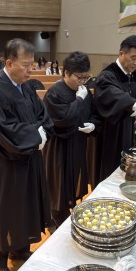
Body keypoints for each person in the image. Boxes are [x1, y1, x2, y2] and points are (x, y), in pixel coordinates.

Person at [0, 38, 53, 271]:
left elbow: (42, 115)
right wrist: (36, 135)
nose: (31, 70)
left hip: (27, 157)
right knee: (3, 209)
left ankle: (19, 249)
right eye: (26, 65)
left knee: (25, 204)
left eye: (33, 64)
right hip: (2, 162)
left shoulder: (26, 87)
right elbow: (3, 130)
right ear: (9, 63)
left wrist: (39, 133)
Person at [43, 51, 99, 229]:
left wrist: (93, 125)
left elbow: (94, 113)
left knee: (74, 179)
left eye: (85, 77)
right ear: (66, 73)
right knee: (58, 183)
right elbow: (63, 120)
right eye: (79, 77)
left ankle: (69, 210)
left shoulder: (84, 91)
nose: (82, 82)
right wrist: (79, 101)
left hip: (78, 143)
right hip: (60, 145)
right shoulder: (54, 93)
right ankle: (55, 218)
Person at [91, 35, 136, 184]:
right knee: (109, 171)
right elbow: (112, 95)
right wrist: (135, 105)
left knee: (125, 167)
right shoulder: (107, 75)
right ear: (121, 54)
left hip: (129, 130)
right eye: (133, 58)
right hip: (110, 132)